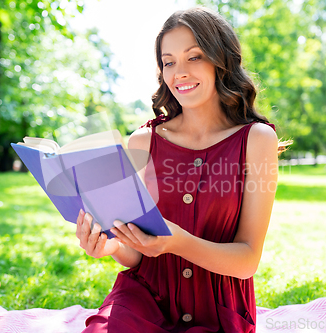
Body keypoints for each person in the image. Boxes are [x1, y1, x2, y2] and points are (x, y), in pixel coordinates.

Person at [76, 7, 285, 332]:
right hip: (143, 299)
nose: (179, 72)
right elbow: (138, 252)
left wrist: (178, 242)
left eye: (194, 57)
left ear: (222, 60)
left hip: (219, 311)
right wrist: (113, 246)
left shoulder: (256, 140)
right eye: (169, 61)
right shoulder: (143, 141)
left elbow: (247, 261)